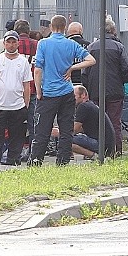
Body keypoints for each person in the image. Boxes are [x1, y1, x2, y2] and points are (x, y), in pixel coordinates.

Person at [30, 15, 96, 167]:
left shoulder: (43, 43)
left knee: (42, 129)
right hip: (67, 92)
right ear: (65, 27)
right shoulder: (71, 44)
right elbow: (91, 60)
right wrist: (72, 67)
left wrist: (39, 91)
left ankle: (35, 161)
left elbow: (38, 70)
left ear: (51, 27)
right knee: (66, 130)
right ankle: (63, 161)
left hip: (49, 93)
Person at [0, 30, 32, 174]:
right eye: (8, 42)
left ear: (18, 43)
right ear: (4, 43)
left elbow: (26, 85)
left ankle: (13, 162)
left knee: (16, 136)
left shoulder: (23, 61)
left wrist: (25, 104)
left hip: (18, 106)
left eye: (13, 42)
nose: (11, 45)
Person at [82, 18, 128, 155]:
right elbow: (127, 69)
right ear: (113, 31)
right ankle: (116, 150)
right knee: (114, 121)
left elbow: (84, 72)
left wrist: (88, 87)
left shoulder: (91, 47)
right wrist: (123, 81)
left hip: (95, 91)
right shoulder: (119, 47)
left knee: (97, 122)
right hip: (115, 91)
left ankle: (98, 150)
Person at [57, 85, 116, 159]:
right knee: (69, 138)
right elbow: (81, 129)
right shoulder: (90, 105)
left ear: (83, 95)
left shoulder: (83, 107)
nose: (71, 99)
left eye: (74, 96)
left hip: (101, 145)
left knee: (66, 140)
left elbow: (74, 130)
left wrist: (58, 132)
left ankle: (95, 157)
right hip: (108, 145)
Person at [15, 20, 40, 142]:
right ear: (28, 31)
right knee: (33, 121)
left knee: (16, 121)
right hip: (33, 86)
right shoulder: (36, 44)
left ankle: (16, 150)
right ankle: (33, 150)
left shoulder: (13, 45)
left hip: (16, 88)